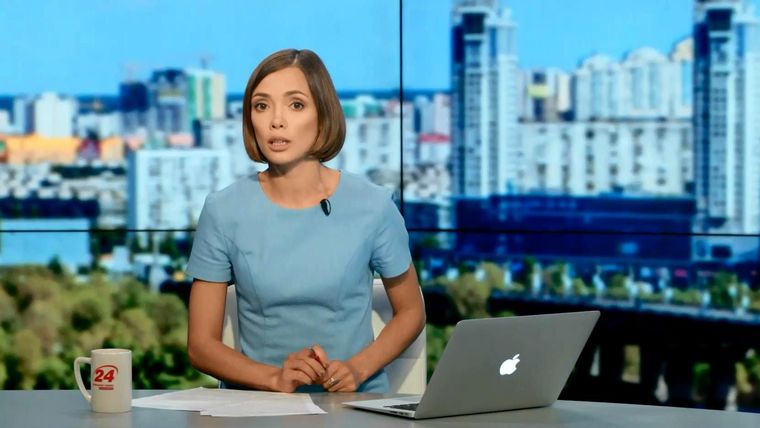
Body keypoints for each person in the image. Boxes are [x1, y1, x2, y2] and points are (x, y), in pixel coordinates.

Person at [185, 48, 425, 393]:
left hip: (352, 402)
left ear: (323, 115)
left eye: (295, 105)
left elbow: (411, 312)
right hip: (258, 405)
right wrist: (274, 378)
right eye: (261, 106)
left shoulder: (373, 206)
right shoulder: (223, 211)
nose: (276, 121)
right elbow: (201, 346)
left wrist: (357, 369)